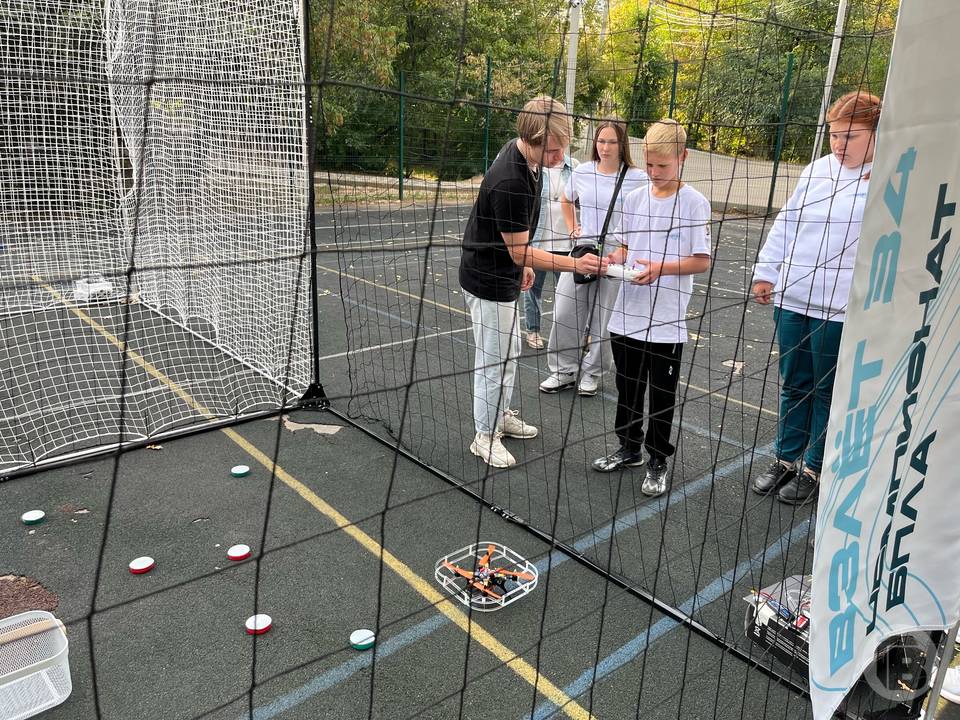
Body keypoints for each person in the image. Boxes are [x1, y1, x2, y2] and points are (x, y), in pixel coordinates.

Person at [459, 95, 608, 468]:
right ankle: (484, 435)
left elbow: (518, 245)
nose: (560, 157)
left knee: (510, 352)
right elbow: (519, 251)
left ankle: (499, 415)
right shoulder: (511, 178)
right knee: (494, 359)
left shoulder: (530, 160)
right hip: (487, 278)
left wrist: (522, 261)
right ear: (531, 139)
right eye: (553, 151)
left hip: (504, 268)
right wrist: (571, 263)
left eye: (562, 148)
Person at [750, 91, 881, 504]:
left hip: (840, 308)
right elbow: (787, 223)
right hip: (794, 297)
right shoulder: (816, 171)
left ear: (877, 134)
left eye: (851, 136)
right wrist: (766, 272)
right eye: (834, 135)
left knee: (827, 390)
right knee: (794, 383)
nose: (839, 145)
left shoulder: (887, 178)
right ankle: (785, 459)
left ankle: (815, 467)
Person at [591, 118, 711, 497]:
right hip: (627, 314)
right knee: (627, 388)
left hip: (665, 321)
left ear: (682, 157)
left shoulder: (694, 203)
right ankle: (629, 448)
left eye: (663, 165)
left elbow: (701, 260)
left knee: (661, 395)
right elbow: (627, 247)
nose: (654, 172)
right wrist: (612, 258)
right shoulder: (634, 198)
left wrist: (661, 268)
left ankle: (658, 459)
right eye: (649, 164)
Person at [539, 119, 648, 396]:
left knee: (605, 316)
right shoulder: (583, 171)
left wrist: (627, 248)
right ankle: (563, 370)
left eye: (612, 142)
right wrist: (573, 227)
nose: (605, 147)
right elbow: (566, 199)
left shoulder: (638, 178)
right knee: (565, 309)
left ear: (622, 145)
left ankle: (592, 372)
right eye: (601, 141)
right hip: (584, 249)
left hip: (617, 253)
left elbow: (646, 219)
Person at [523, 153, 578, 349]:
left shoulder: (574, 166)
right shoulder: (535, 166)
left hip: (565, 244)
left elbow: (581, 200)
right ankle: (533, 330)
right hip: (539, 242)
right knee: (532, 290)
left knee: (570, 295)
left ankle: (571, 335)